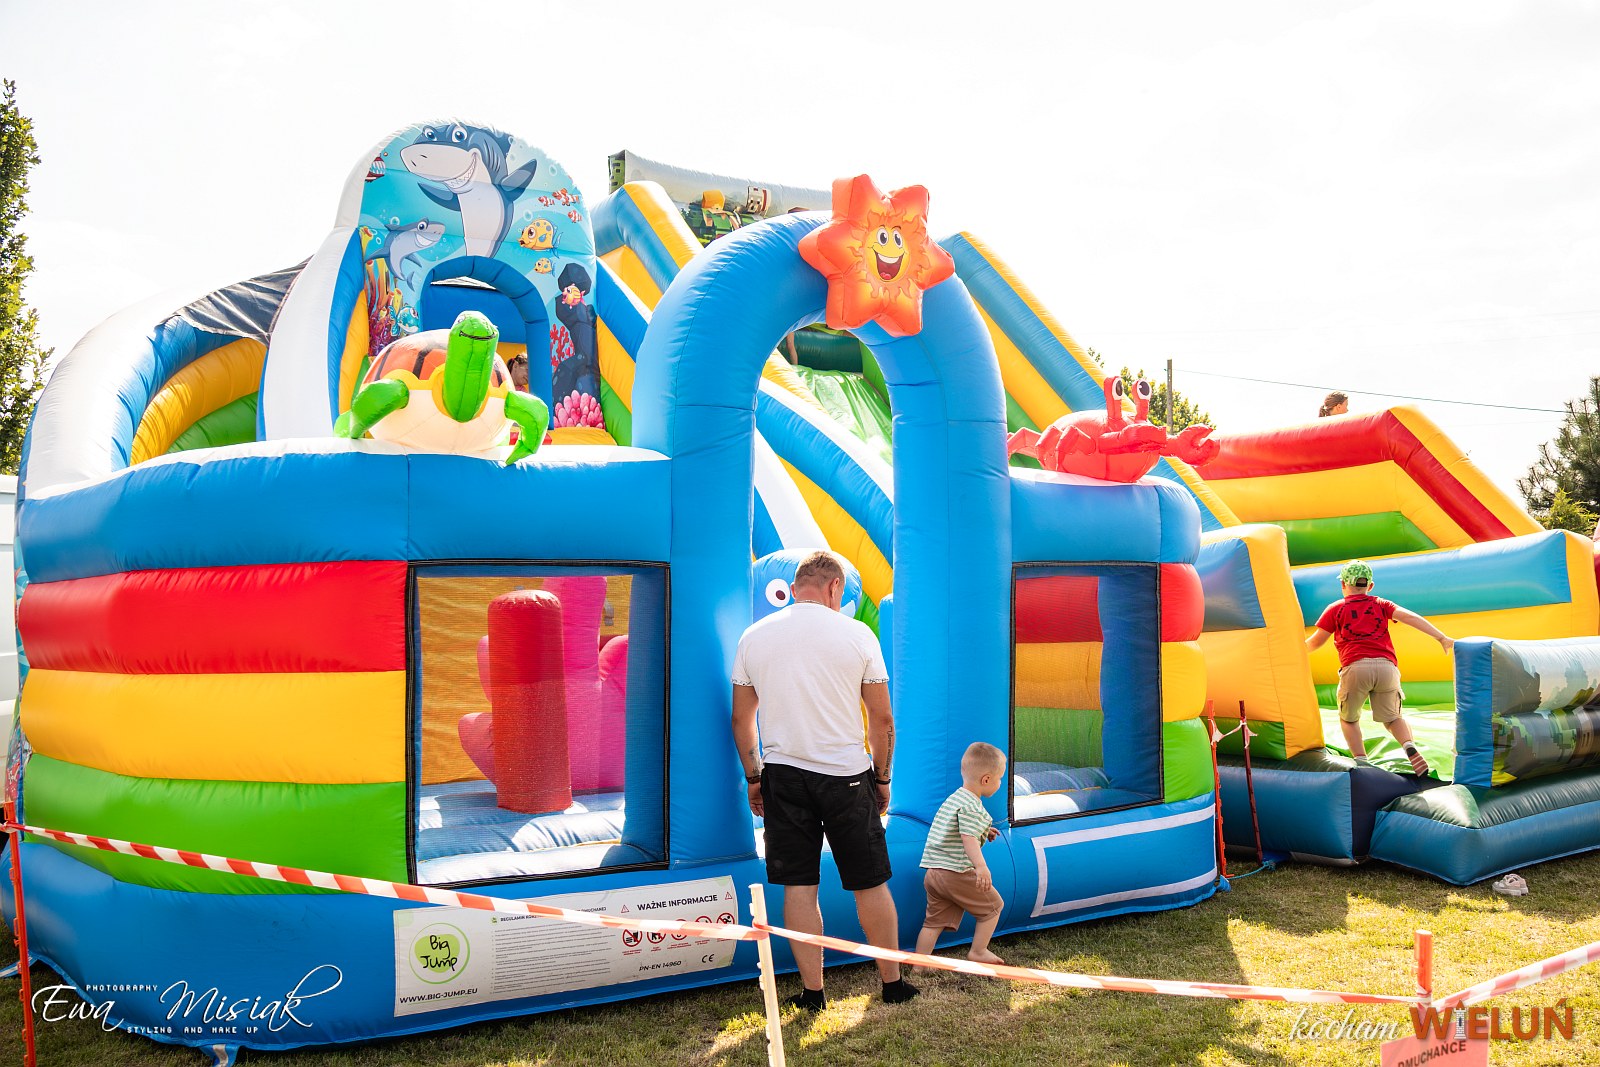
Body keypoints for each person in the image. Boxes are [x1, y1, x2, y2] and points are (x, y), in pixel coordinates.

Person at [730, 550, 918, 1009]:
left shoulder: (754, 636)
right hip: (846, 776)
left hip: (783, 777)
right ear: (835, 587)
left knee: (799, 887)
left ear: (795, 588)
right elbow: (882, 718)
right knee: (869, 883)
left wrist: (753, 778)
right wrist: (883, 778)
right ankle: (892, 984)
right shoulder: (858, 634)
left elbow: (741, 719)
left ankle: (813, 993)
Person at [1305, 560, 1453, 775]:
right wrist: (1441, 637)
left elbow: (1315, 642)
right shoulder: (1381, 604)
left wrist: (1294, 650)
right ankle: (1408, 746)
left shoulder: (1336, 609)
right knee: (1393, 718)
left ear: (1343, 584)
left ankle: (1362, 761)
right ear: (1370, 585)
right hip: (1387, 668)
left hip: (1355, 667)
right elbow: (1410, 617)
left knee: (1348, 719)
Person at [913, 742, 1007, 969]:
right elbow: (968, 837)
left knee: (933, 922)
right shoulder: (973, 806)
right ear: (986, 779)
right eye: (999, 779)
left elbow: (957, 829)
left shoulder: (955, 799)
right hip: (955, 873)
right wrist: (981, 867)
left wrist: (985, 830)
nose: (1000, 783)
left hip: (934, 873)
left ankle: (919, 965)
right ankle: (978, 951)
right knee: (994, 907)